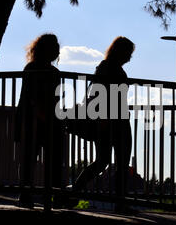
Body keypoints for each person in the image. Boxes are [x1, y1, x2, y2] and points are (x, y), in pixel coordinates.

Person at [72, 36, 134, 209]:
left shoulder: (107, 67)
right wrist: (104, 118)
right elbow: (101, 93)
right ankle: (119, 203)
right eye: (128, 52)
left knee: (106, 161)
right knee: (110, 161)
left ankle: (75, 191)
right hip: (112, 121)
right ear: (121, 52)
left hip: (115, 120)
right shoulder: (108, 67)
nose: (130, 57)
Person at [15, 33, 64, 208]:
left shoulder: (40, 69)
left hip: (43, 120)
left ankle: (43, 195)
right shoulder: (36, 69)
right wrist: (43, 113)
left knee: (40, 158)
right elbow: (32, 96)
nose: (57, 51)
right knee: (36, 158)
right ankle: (34, 195)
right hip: (36, 120)